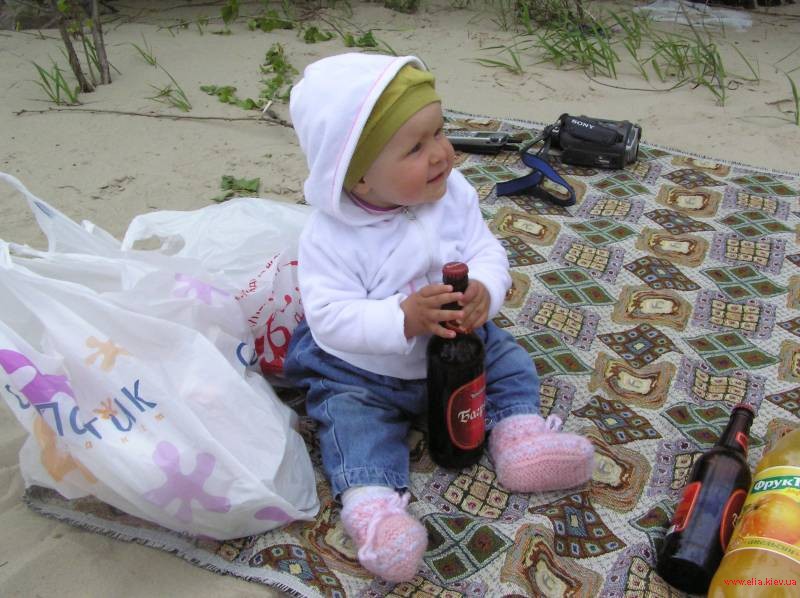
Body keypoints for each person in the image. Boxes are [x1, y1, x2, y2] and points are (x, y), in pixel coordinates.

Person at [285, 52, 594, 583]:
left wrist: (485, 289)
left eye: (440, 132)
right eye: (415, 147)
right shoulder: (329, 237)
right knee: (349, 422)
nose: (442, 154)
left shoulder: (454, 193)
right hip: (363, 370)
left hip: (457, 346)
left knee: (507, 360)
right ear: (357, 177)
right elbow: (330, 317)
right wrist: (401, 317)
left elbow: (485, 249)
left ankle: (519, 437)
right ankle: (375, 513)